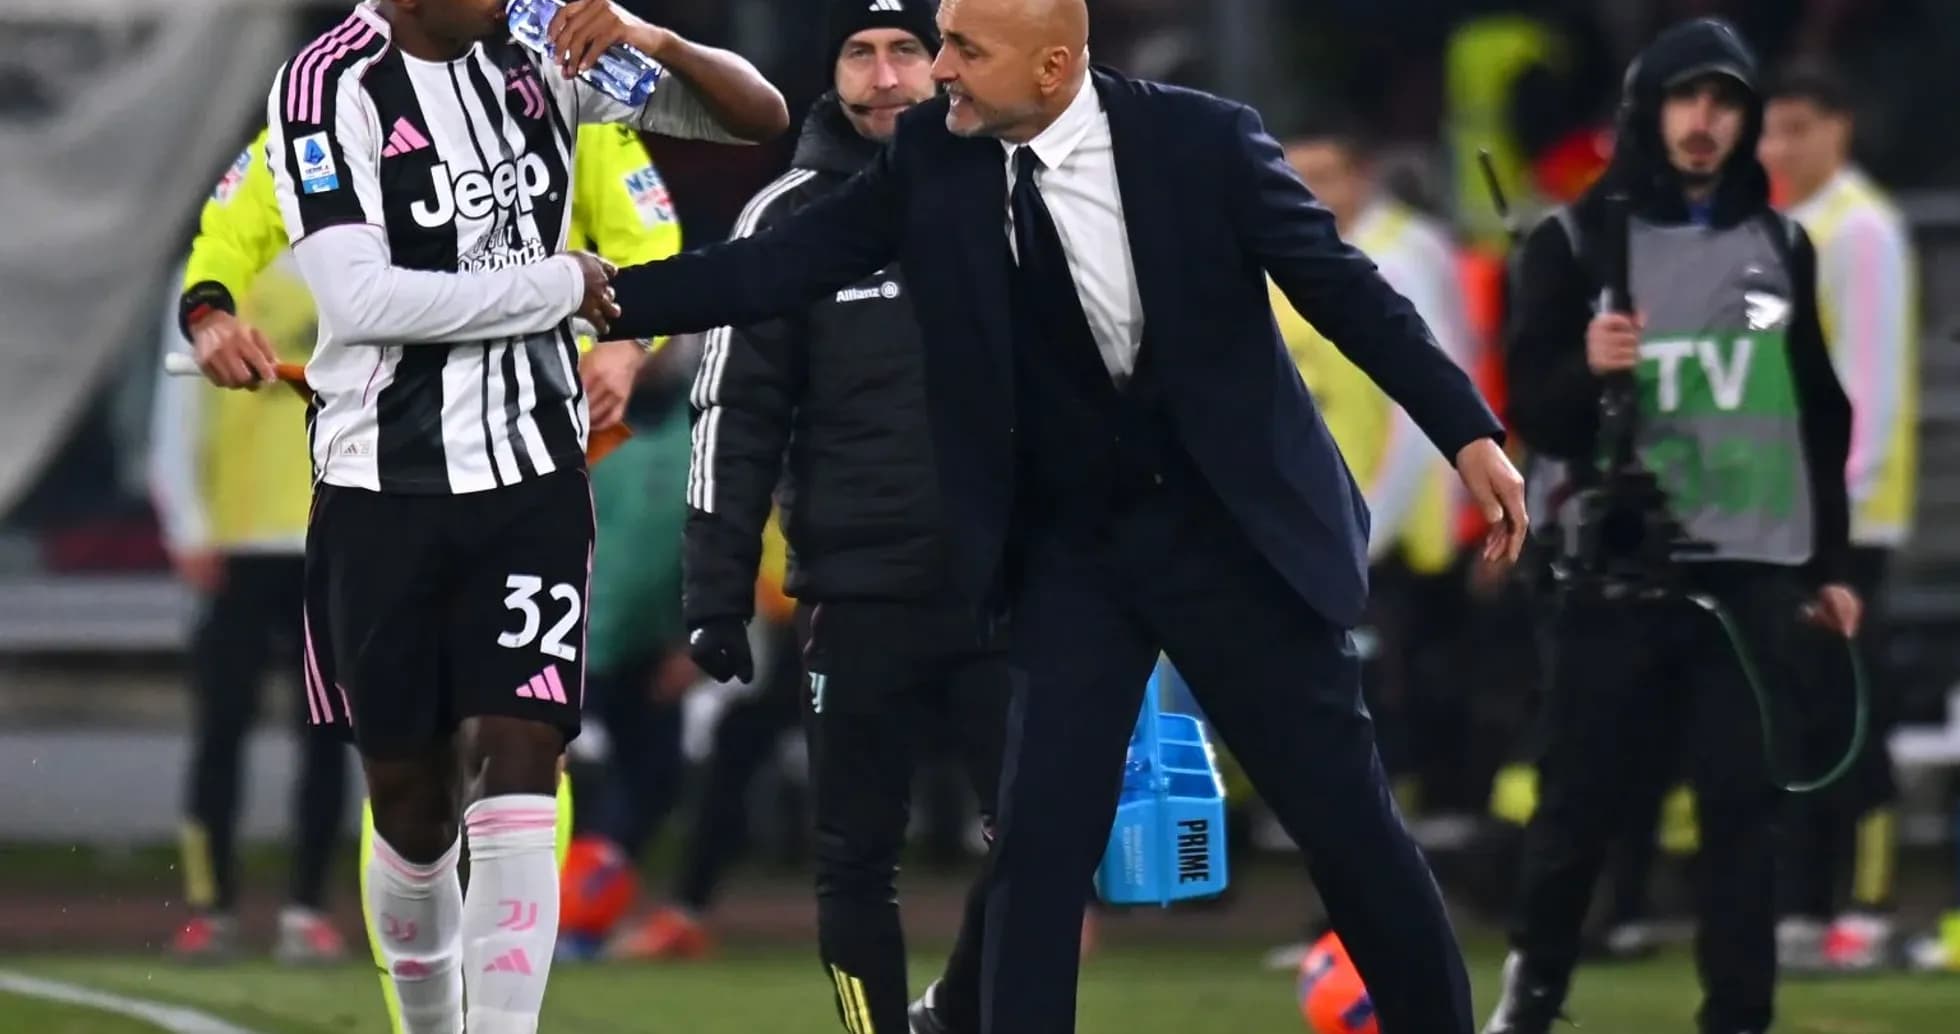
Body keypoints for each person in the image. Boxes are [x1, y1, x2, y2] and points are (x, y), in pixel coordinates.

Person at [605, 1, 1529, 1030]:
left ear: (1052, 68)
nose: (936, 70)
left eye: (962, 49)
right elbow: (778, 268)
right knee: (1037, 852)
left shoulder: (1201, 140)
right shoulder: (932, 157)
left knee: (1347, 828)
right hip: (1069, 553)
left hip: (1231, 537)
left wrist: (1468, 432)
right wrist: (604, 298)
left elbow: (1343, 290)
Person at [190, 2, 785, 1031]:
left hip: (532, 476)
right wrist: (567, 284)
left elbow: (754, 117)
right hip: (381, 487)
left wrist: (653, 39)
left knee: (523, 754)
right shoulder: (325, 87)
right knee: (411, 805)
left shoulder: (539, 39)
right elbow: (366, 302)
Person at [1485, 19, 1858, 1034]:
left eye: (1726, 102)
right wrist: (1588, 366)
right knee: (1573, 818)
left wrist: (1826, 558)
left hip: (1747, 575)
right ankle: (1532, 999)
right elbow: (1533, 408)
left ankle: (1739, 1016)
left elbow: (1815, 408)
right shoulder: (1571, 243)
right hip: (1612, 576)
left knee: (1745, 815)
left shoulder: (1781, 244)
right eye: (1685, 100)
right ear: (1645, 112)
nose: (1704, 122)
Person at [671, 3, 1009, 1030]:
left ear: (945, 62)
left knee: (1047, 832)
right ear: (831, 76)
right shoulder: (784, 219)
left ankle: (956, 1007)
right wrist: (715, 588)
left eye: (907, 49)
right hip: (855, 595)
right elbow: (733, 410)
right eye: (859, 54)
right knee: (854, 853)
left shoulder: (1017, 193)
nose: (885, 74)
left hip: (1011, 584)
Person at [1259, 111, 1481, 972]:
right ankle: (1353, 924)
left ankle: (1377, 927)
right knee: (1338, 742)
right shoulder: (1291, 253)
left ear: (1362, 176)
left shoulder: (1406, 253)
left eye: (1326, 175)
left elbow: (1432, 397)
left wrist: (1373, 531)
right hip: (1316, 540)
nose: (1312, 192)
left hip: (1392, 550)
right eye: (1296, 175)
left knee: (1373, 741)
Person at [1758, 59, 1920, 973]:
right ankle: (1807, 905)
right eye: (1771, 133)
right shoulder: (1794, 230)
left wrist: (1838, 511)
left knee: (1854, 707)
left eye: (1796, 131)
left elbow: (1868, 380)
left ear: (1838, 131)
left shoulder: (1860, 232)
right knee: (1809, 709)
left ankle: (1867, 903)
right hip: (1795, 513)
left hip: (1845, 521)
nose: (1779, 149)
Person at [152, 241, 350, 964]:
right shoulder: (217, 276)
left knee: (328, 737)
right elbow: (174, 403)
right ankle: (212, 911)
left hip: (329, 542)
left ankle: (306, 911)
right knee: (218, 735)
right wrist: (188, 525)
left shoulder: (363, 263)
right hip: (235, 546)